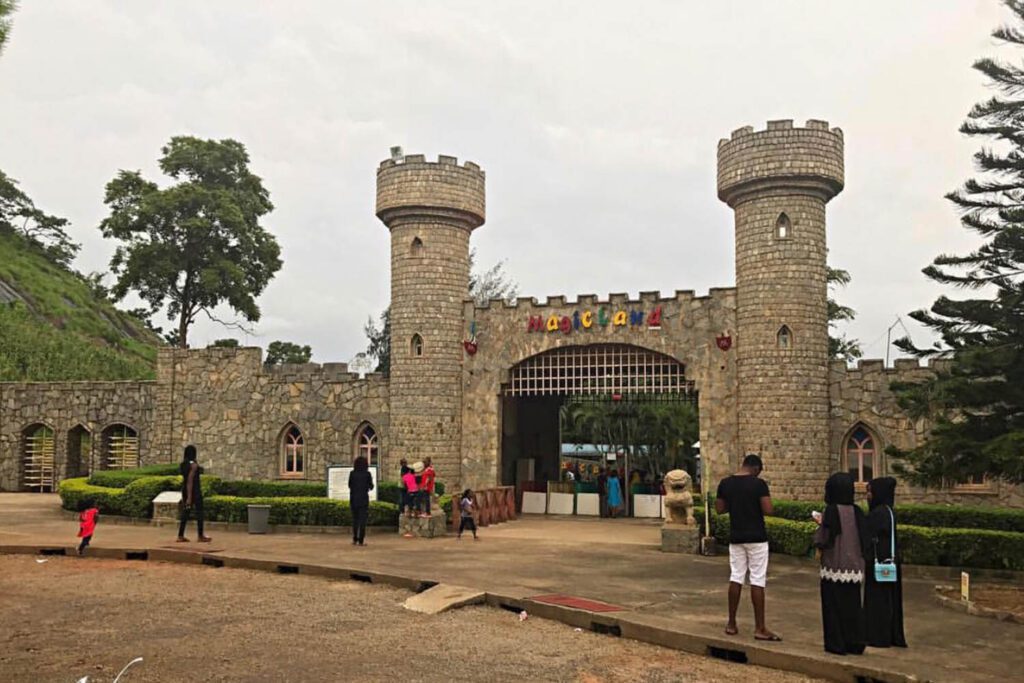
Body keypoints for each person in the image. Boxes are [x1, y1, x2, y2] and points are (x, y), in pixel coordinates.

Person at [715, 453, 780, 641]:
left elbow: (719, 509)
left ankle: (731, 624)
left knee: (736, 576)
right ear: (756, 468)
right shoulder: (758, 484)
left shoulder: (725, 483)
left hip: (736, 536)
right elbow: (768, 509)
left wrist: (735, 505)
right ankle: (760, 628)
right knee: (757, 580)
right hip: (757, 538)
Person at [813, 472, 866, 656]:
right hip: (854, 566)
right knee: (852, 606)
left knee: (833, 607)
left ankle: (837, 644)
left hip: (834, 565)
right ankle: (855, 642)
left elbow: (825, 538)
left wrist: (819, 525)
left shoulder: (831, 511)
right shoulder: (857, 511)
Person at [863, 477, 907, 649]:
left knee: (878, 601)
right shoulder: (888, 511)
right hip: (889, 562)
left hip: (879, 563)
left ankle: (877, 635)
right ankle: (889, 634)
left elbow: (866, 532)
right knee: (888, 600)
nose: (868, 496)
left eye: (870, 492)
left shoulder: (879, 513)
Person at [177, 445, 211, 543]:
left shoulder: (183, 464)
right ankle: (200, 535)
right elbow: (190, 481)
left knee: (185, 513)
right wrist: (189, 496)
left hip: (186, 491)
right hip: (194, 491)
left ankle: (180, 535)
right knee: (199, 513)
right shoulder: (193, 465)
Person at [348, 455, 374, 546]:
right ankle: (361, 540)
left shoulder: (352, 473)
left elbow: (349, 485)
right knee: (362, 521)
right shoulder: (367, 474)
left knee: (355, 520)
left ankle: (355, 539)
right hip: (363, 499)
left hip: (354, 498)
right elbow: (371, 486)